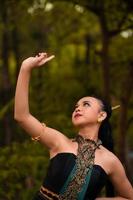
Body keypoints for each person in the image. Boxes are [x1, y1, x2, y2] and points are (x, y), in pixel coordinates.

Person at [14, 52, 133, 200]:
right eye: (76, 106)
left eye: (86, 105)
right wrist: (25, 68)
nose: (78, 108)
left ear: (101, 115)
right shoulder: (59, 142)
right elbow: (22, 117)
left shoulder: (111, 161)